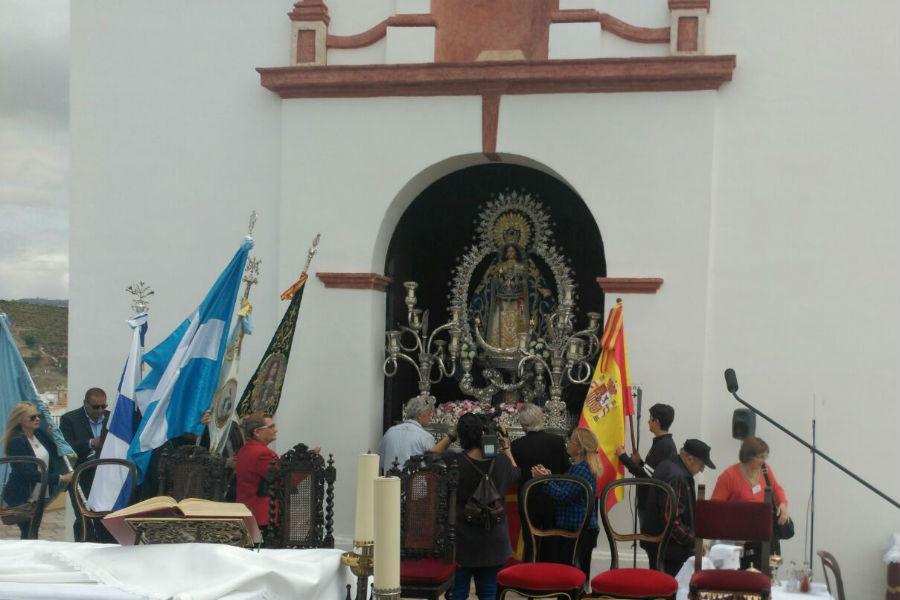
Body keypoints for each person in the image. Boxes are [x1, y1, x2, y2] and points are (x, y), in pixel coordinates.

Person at [450, 412, 520, 600]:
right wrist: (507, 449)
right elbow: (516, 474)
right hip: (493, 538)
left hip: (462, 538)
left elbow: (429, 456)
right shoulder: (501, 462)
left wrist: (450, 436)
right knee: (489, 591)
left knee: (458, 591)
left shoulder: (454, 462)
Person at [532, 427, 602, 582]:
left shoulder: (582, 469)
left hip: (577, 530)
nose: (567, 444)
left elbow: (563, 495)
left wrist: (544, 480)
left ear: (580, 447)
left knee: (570, 577)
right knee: (573, 575)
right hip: (579, 529)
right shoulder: (579, 467)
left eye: (571, 441)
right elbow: (567, 489)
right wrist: (549, 476)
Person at [643, 438, 716, 576]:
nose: (702, 469)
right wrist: (695, 542)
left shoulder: (670, 466)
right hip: (668, 549)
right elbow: (671, 521)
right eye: (702, 464)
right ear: (689, 459)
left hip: (662, 545)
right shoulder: (676, 476)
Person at [615, 402, 677, 563]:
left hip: (651, 504)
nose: (648, 421)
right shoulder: (662, 443)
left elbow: (646, 477)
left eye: (650, 419)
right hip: (649, 502)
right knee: (650, 546)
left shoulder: (663, 445)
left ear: (657, 421)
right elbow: (651, 471)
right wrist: (640, 462)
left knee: (652, 547)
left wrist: (623, 457)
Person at [711, 436, 789, 564]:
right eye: (760, 457)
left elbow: (777, 489)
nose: (764, 461)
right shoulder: (729, 476)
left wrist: (783, 504)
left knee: (767, 573)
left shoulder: (765, 470)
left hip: (764, 534)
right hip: (739, 539)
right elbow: (715, 508)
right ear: (748, 456)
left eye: (766, 456)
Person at [1, 402, 73, 539]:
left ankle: (28, 557)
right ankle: (26, 558)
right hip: (22, 495)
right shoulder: (16, 442)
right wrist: (60, 478)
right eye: (32, 417)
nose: (37, 419)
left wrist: (53, 435)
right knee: (28, 531)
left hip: (39, 493)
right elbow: (28, 473)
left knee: (33, 530)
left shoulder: (39, 434)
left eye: (38, 416)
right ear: (20, 420)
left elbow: (54, 452)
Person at [510, 404, 570, 561]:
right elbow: (566, 470)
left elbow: (514, 474)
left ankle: (530, 573)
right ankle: (549, 573)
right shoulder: (557, 442)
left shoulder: (516, 446)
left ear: (523, 424)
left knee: (530, 541)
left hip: (528, 500)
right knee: (552, 540)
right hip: (554, 498)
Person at [376, 394, 456, 472]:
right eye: (429, 414)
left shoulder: (390, 432)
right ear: (419, 415)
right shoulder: (425, 437)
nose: (430, 418)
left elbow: (378, 461)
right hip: (413, 484)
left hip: (388, 483)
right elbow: (432, 467)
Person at [234, 413, 279, 533]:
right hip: (263, 516)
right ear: (257, 432)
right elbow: (282, 481)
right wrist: (306, 465)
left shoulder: (243, 450)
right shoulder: (265, 454)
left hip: (245, 512)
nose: (275, 430)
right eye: (271, 427)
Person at [59, 388, 110, 494]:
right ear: (85, 403)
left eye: (103, 406)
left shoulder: (112, 417)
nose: (100, 410)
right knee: (83, 510)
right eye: (96, 407)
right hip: (81, 478)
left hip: (107, 476)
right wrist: (90, 443)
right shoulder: (69, 419)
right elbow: (65, 447)